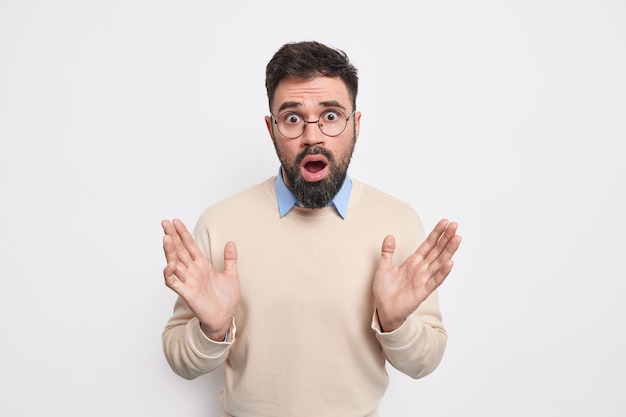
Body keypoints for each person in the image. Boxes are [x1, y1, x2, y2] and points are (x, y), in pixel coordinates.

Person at [161, 40, 462, 417]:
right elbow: (180, 360)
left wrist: (395, 323)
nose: (313, 136)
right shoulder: (220, 224)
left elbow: (424, 361)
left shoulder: (397, 222)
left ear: (356, 125)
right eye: (292, 118)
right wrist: (212, 330)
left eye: (331, 116)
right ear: (271, 129)